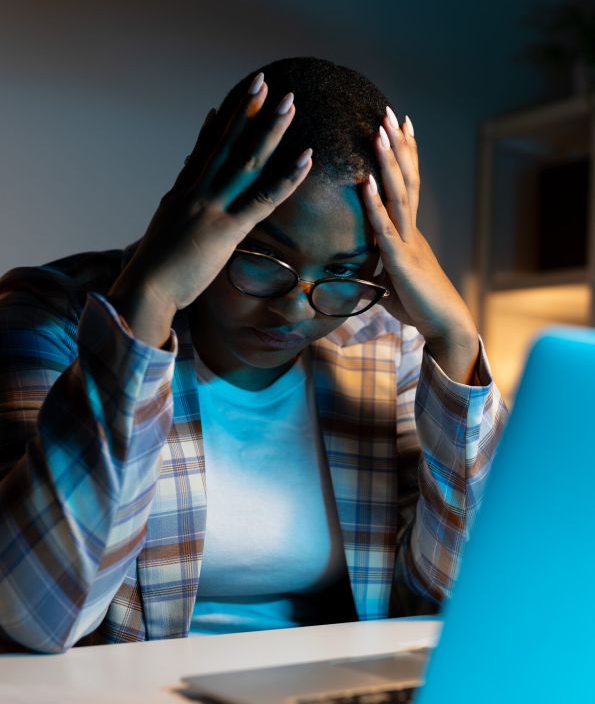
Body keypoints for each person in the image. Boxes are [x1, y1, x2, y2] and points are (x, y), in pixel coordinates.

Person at [0, 57, 507, 653]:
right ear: (200, 202)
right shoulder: (47, 316)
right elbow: (36, 617)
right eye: (265, 258)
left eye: (343, 272)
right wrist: (148, 302)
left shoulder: (382, 346)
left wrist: (454, 342)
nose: (296, 310)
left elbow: (454, 604)